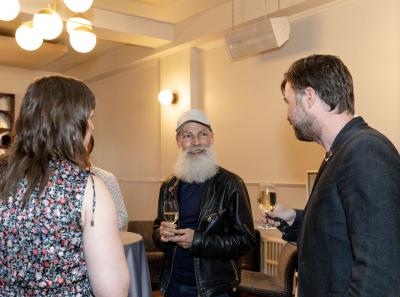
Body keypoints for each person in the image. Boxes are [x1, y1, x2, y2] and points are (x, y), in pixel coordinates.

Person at [264, 54, 400, 296]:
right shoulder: (340, 151)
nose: (287, 115)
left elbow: (379, 272)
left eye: (288, 102)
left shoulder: (365, 151)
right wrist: (294, 218)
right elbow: (339, 231)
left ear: (308, 97)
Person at [0, 76, 130, 296]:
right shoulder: (88, 188)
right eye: (89, 117)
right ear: (73, 124)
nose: (93, 126)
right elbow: (112, 290)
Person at [152, 109, 256, 297]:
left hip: (213, 289)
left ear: (212, 138)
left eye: (203, 134)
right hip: (173, 284)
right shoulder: (168, 186)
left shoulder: (231, 184)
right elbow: (158, 229)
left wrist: (198, 240)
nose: (196, 142)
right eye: (187, 136)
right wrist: (161, 234)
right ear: (178, 142)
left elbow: (246, 240)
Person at [88, 136, 128, 230]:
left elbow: (122, 217)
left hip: (101, 240)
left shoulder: (107, 178)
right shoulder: (59, 181)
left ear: (88, 146)